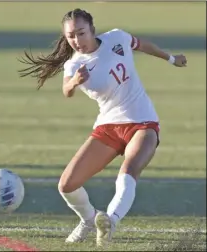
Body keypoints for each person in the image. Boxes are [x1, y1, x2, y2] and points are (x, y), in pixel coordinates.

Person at [18, 8, 187, 247]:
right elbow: (66, 90)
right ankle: (89, 219)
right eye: (71, 36)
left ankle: (110, 221)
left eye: (81, 33)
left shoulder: (117, 38)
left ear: (93, 30)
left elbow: (143, 45)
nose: (77, 40)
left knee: (129, 172)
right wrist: (75, 82)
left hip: (142, 121)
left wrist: (171, 58)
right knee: (66, 185)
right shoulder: (74, 64)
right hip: (108, 127)